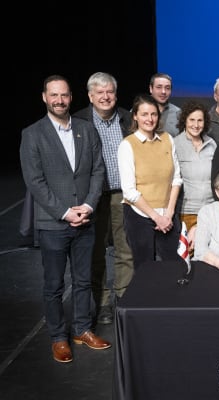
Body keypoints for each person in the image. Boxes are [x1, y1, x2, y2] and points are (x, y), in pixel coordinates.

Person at [20, 75, 110, 363]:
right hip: (53, 224)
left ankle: (82, 329)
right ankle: (59, 337)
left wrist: (87, 206)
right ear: (45, 97)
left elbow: (98, 171)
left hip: (85, 219)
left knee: (83, 280)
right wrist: (64, 212)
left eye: (65, 95)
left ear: (72, 97)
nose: (60, 100)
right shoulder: (32, 134)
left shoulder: (87, 130)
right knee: (54, 285)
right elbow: (35, 181)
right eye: (54, 95)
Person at [72, 72, 134, 325]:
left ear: (115, 94)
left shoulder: (127, 118)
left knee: (125, 249)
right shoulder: (79, 121)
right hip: (93, 197)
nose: (106, 97)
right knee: (96, 252)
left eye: (110, 92)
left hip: (124, 194)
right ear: (90, 96)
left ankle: (124, 296)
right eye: (100, 93)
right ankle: (103, 300)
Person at [117, 94, 183, 270]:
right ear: (135, 116)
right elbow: (129, 191)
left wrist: (168, 214)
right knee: (145, 269)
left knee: (174, 267)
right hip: (140, 215)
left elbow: (176, 179)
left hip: (167, 214)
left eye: (153, 114)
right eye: (144, 114)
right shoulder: (127, 145)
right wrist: (156, 218)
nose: (150, 119)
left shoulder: (167, 139)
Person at [173, 99, 217, 256]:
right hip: (187, 212)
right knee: (187, 258)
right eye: (192, 120)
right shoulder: (175, 144)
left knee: (209, 258)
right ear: (184, 120)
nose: (196, 125)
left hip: (210, 211)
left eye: (200, 120)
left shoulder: (212, 144)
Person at [148, 72, 181, 137]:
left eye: (167, 88)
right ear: (151, 89)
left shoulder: (179, 113)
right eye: (159, 87)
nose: (163, 92)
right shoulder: (138, 111)